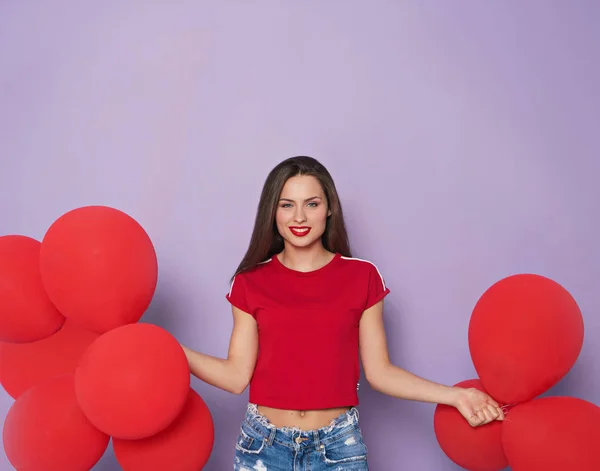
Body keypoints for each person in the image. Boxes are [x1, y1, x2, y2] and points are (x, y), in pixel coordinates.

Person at [181, 156, 504, 470]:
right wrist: (168, 350)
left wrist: (455, 396)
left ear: (329, 208)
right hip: (264, 447)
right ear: (272, 212)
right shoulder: (250, 281)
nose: (299, 217)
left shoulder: (362, 277)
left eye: (312, 203)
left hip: (337, 447)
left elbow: (380, 372)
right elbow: (236, 377)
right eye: (286, 204)